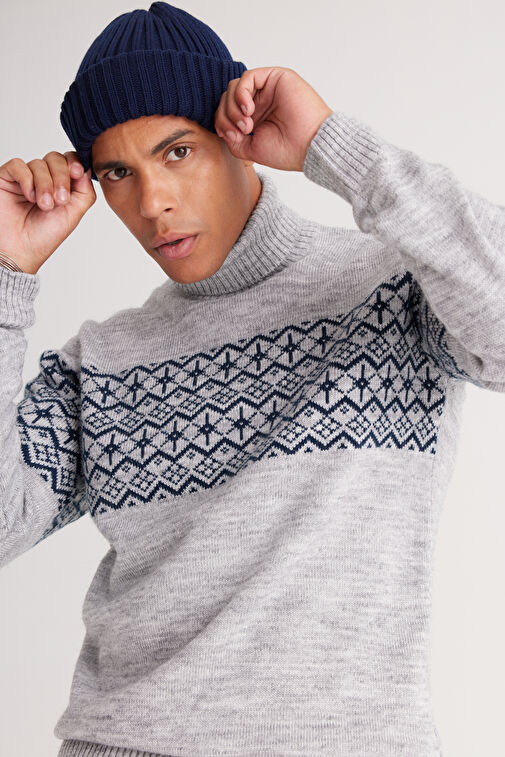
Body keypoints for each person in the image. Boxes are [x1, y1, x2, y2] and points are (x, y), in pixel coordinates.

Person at [0, 2, 504, 756]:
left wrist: (336, 147)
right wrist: (4, 276)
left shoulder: (391, 291)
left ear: (237, 136)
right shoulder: (103, 361)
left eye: (177, 152)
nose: (152, 202)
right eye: (118, 172)